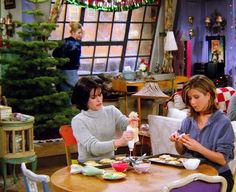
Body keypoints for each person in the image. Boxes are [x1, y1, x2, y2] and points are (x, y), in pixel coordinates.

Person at [169, 75, 234, 192]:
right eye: (189, 98)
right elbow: (181, 151)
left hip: (217, 176)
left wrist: (198, 147)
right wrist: (179, 141)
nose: (192, 102)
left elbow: (223, 159)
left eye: (196, 97)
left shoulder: (223, 122)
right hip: (190, 174)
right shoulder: (188, 120)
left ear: (208, 95)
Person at [71, 76, 139, 162]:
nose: (99, 99)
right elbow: (93, 147)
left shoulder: (111, 111)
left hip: (110, 163)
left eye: (100, 95)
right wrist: (118, 142)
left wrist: (131, 122)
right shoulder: (78, 121)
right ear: (84, 99)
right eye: (93, 97)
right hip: (88, 167)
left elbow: (124, 123)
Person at [52, 22, 83, 91]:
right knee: (75, 91)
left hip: (59, 70)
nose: (81, 35)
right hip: (70, 71)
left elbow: (54, 54)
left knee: (61, 91)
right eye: (79, 33)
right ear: (73, 32)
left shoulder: (63, 41)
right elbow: (75, 60)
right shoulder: (76, 45)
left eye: (81, 33)